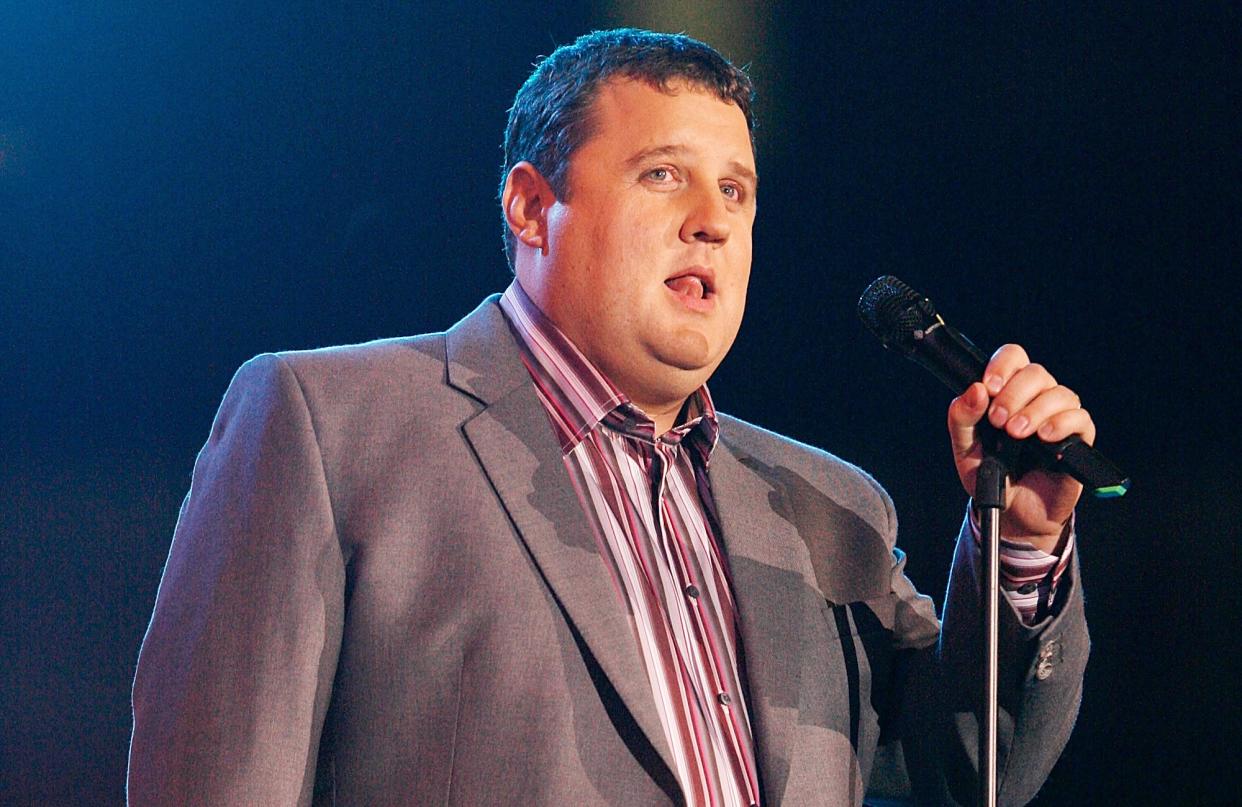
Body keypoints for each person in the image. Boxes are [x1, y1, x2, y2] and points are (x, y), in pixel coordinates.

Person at [129, 29, 1091, 806]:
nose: (712, 218)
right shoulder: (329, 425)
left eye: (737, 189)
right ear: (533, 207)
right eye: (664, 174)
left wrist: (1026, 546)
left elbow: (969, 773)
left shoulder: (830, 507)